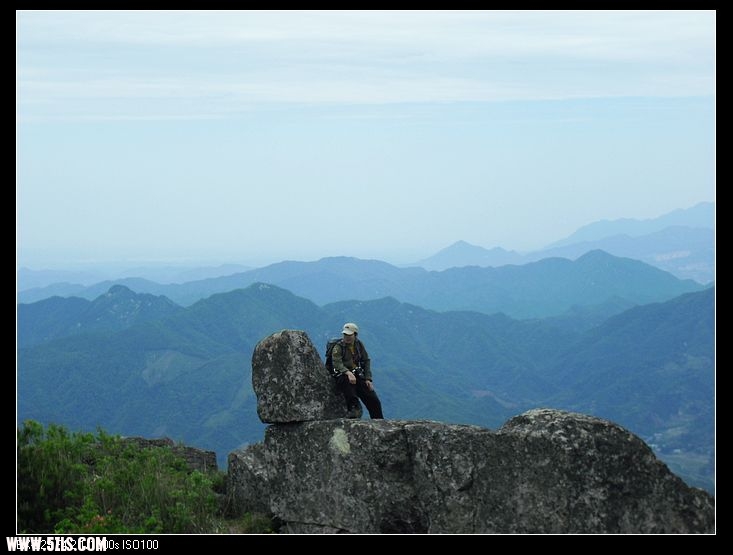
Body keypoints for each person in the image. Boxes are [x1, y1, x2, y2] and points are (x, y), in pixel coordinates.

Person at [331, 322, 383, 419]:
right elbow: (337, 363)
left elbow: (366, 360)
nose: (347, 337)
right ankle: (354, 410)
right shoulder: (338, 347)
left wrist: (368, 379)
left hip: (356, 374)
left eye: (349, 335)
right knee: (349, 388)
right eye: (345, 334)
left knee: (373, 399)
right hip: (342, 375)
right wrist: (348, 372)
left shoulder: (359, 345)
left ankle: (379, 421)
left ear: (355, 335)